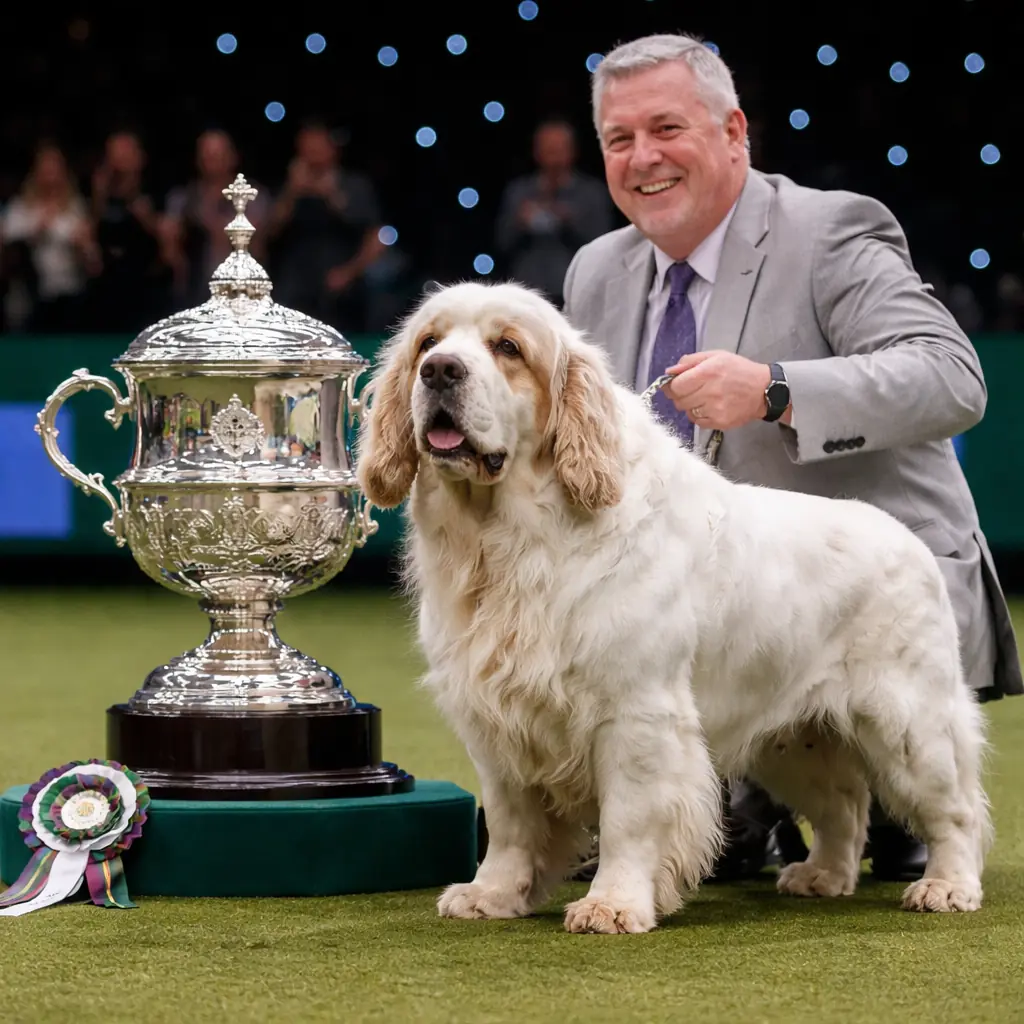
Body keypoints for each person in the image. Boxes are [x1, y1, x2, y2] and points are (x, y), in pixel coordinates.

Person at [560, 32, 1023, 882]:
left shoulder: (830, 230)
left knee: (901, 823)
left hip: (862, 609)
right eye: (619, 140)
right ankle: (755, 803)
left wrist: (777, 389)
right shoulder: (596, 270)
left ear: (734, 132)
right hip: (700, 633)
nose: (643, 158)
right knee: (710, 850)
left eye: (667, 128)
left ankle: (868, 808)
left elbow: (954, 378)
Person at [495, 120, 614, 306]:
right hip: (525, 294)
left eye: (559, 150)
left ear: (573, 151)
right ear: (536, 152)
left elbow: (605, 246)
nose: (554, 158)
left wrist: (570, 221)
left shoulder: (591, 193)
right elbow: (502, 242)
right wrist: (519, 223)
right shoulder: (519, 192)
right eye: (549, 150)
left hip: (578, 294)